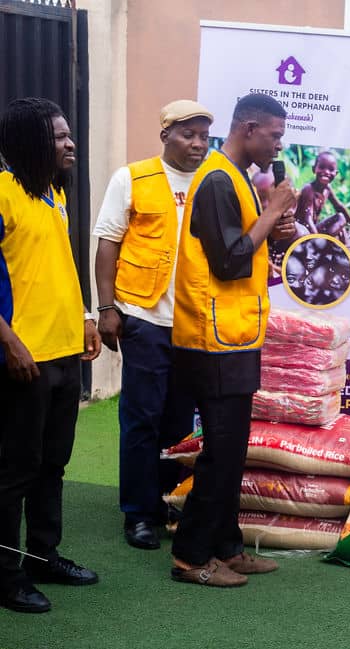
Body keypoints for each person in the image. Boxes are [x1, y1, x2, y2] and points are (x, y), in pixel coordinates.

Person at [169, 93, 297, 587]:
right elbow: (228, 262)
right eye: (275, 135)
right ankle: (190, 557)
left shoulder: (237, 177)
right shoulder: (218, 180)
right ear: (248, 128)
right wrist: (273, 210)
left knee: (232, 450)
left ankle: (226, 546)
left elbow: (247, 246)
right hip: (212, 338)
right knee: (221, 452)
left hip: (235, 333)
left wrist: (276, 228)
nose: (279, 144)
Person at [93, 100, 213, 550]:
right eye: (188, 134)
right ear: (165, 136)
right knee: (141, 416)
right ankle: (138, 513)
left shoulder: (212, 181)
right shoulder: (132, 178)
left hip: (193, 322)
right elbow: (108, 242)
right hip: (143, 316)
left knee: (179, 422)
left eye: (203, 136)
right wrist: (107, 307)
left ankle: (165, 500)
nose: (197, 144)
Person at [0, 98, 102, 613]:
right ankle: (5, 576)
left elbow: (58, 263)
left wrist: (85, 316)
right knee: (15, 471)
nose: (70, 143)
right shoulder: (3, 192)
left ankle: (43, 556)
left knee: (52, 465)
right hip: (25, 357)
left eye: (68, 133)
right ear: (30, 141)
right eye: (59, 136)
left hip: (63, 351)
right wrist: (8, 341)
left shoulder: (52, 194)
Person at [294, 151, 350, 239]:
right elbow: (307, 219)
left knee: (340, 218)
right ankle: (320, 243)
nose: (326, 172)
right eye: (322, 167)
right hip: (302, 231)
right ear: (314, 169)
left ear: (336, 173)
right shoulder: (308, 189)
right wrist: (316, 239)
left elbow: (339, 207)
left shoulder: (327, 189)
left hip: (313, 230)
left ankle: (340, 245)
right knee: (339, 225)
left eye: (331, 169)